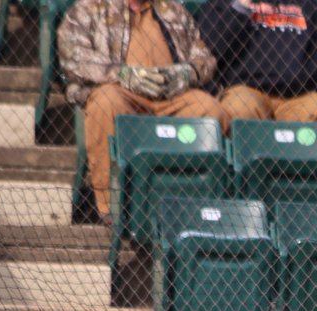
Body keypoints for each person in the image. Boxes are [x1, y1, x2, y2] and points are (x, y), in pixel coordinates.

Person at [58, 0, 229, 225]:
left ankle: (196, 203)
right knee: (105, 101)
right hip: (124, 95)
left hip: (172, 98)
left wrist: (182, 75)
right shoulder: (87, 9)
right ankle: (111, 208)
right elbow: (73, 58)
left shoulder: (173, 11)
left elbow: (204, 59)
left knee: (211, 110)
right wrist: (124, 75)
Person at [198, 0, 317, 135]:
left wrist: (298, 79)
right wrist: (240, 7)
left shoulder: (306, 4)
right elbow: (209, 49)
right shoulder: (224, 4)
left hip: (295, 96)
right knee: (240, 111)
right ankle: (250, 168)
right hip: (244, 89)